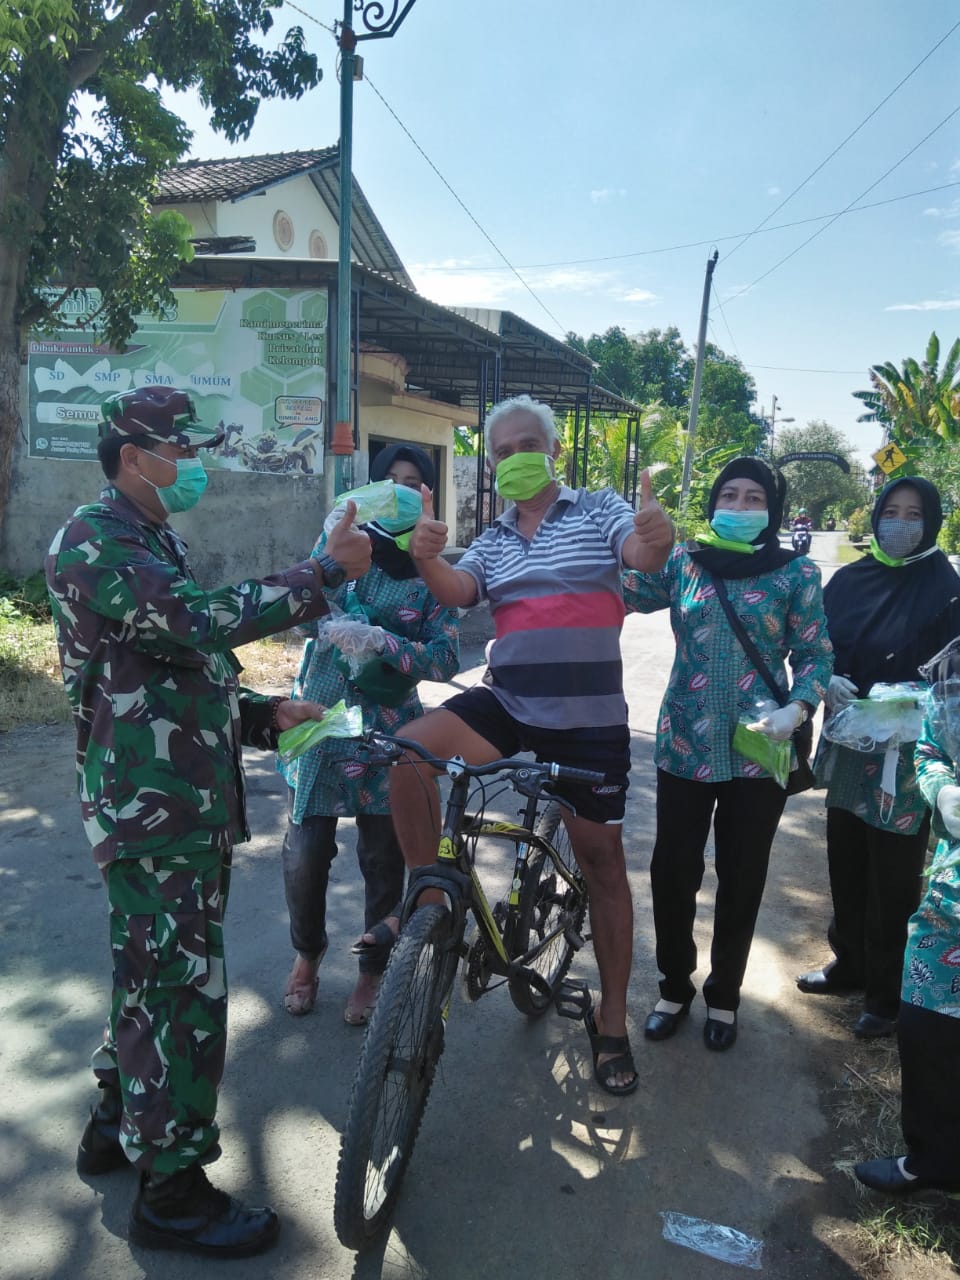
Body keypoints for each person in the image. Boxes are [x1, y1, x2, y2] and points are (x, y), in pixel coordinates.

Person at [45, 386, 372, 1258]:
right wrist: (325, 573)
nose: (197, 466)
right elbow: (197, 620)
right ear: (132, 457)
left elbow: (180, 667)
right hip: (151, 810)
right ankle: (174, 1191)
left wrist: (263, 712)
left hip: (180, 800)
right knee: (181, 995)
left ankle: (116, 1125)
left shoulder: (151, 536)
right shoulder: (95, 536)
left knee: (152, 979)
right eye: (183, 451)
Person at [379, 394, 675, 1096]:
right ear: (491, 462)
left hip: (589, 722)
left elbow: (639, 552)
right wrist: (426, 558)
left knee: (602, 863)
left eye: (526, 446)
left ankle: (610, 1019)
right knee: (410, 756)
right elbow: (458, 591)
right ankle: (430, 902)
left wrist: (656, 538)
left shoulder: (600, 510)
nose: (514, 458)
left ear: (554, 452)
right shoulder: (494, 536)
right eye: (502, 451)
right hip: (508, 704)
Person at [623, 457, 832, 1051]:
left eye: (752, 498)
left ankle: (724, 995)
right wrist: (643, 539)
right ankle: (673, 986)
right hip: (684, 746)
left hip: (756, 753)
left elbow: (817, 655)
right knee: (673, 873)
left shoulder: (796, 573)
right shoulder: (686, 563)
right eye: (729, 495)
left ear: (771, 509)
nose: (739, 507)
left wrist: (799, 706)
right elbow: (630, 594)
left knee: (742, 875)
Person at [278, 443, 460, 1024]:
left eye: (414, 484)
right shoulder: (340, 541)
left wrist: (385, 643)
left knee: (383, 857)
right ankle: (307, 956)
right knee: (306, 853)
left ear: (429, 497)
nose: (401, 491)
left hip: (387, 728)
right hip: (322, 716)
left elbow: (446, 657)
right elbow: (297, 612)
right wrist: (327, 579)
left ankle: (370, 970)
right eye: (391, 480)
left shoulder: (436, 570)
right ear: (370, 489)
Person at [797, 477, 960, 1037]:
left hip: (905, 756)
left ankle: (887, 997)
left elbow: (952, 680)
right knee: (845, 857)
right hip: (848, 745)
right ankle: (850, 964)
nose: (901, 523)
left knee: (893, 874)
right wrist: (828, 679)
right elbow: (818, 645)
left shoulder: (946, 589)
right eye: (891, 511)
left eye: (915, 514)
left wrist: (912, 702)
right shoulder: (850, 579)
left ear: (932, 522)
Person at [855, 635, 960, 1196]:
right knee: (925, 1030)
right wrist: (942, 791)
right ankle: (934, 1161)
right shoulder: (955, 665)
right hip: (950, 899)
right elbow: (933, 744)